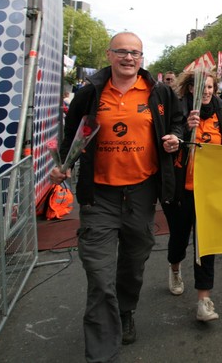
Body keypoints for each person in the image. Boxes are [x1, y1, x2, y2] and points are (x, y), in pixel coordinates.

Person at [50, 32, 183, 361]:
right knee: (99, 274)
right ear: (109, 55)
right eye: (122, 51)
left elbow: (176, 123)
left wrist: (174, 137)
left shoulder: (159, 91)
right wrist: (63, 165)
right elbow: (72, 134)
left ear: (142, 58)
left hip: (141, 193)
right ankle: (101, 353)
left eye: (135, 53)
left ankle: (125, 310)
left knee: (133, 264)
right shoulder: (90, 92)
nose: (128, 58)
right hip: (99, 196)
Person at [164, 72, 222, 323]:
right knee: (179, 239)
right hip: (182, 189)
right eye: (202, 87)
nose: (207, 91)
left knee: (205, 245)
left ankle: (204, 300)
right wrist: (184, 130)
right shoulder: (178, 111)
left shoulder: (221, 113)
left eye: (211, 87)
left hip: (209, 190)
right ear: (191, 88)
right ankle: (174, 267)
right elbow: (168, 143)